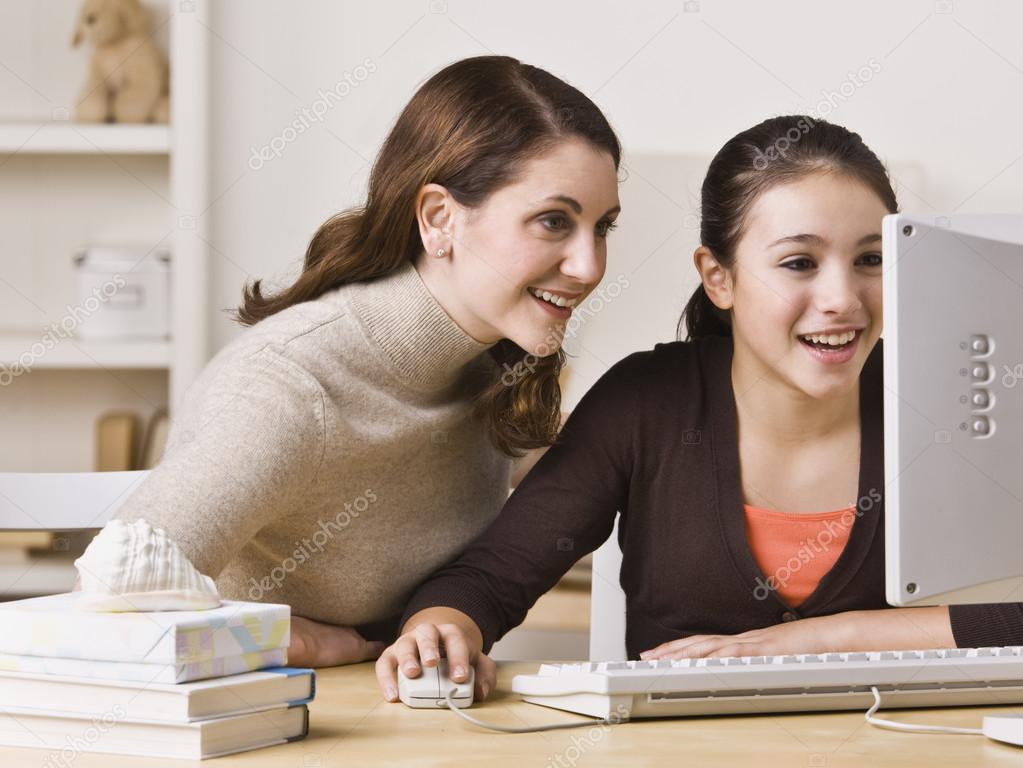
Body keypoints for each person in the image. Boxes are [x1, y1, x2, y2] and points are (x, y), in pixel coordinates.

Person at [376, 115, 1023, 703]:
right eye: (798, 262)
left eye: (869, 260)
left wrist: (822, 639)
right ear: (718, 278)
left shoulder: (963, 401)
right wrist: (439, 631)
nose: (841, 299)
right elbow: (490, 579)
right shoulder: (644, 403)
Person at [104, 55, 622, 667]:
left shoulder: (493, 366)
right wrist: (297, 643)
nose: (588, 268)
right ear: (439, 219)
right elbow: (114, 600)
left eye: (602, 228)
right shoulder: (290, 386)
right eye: (553, 222)